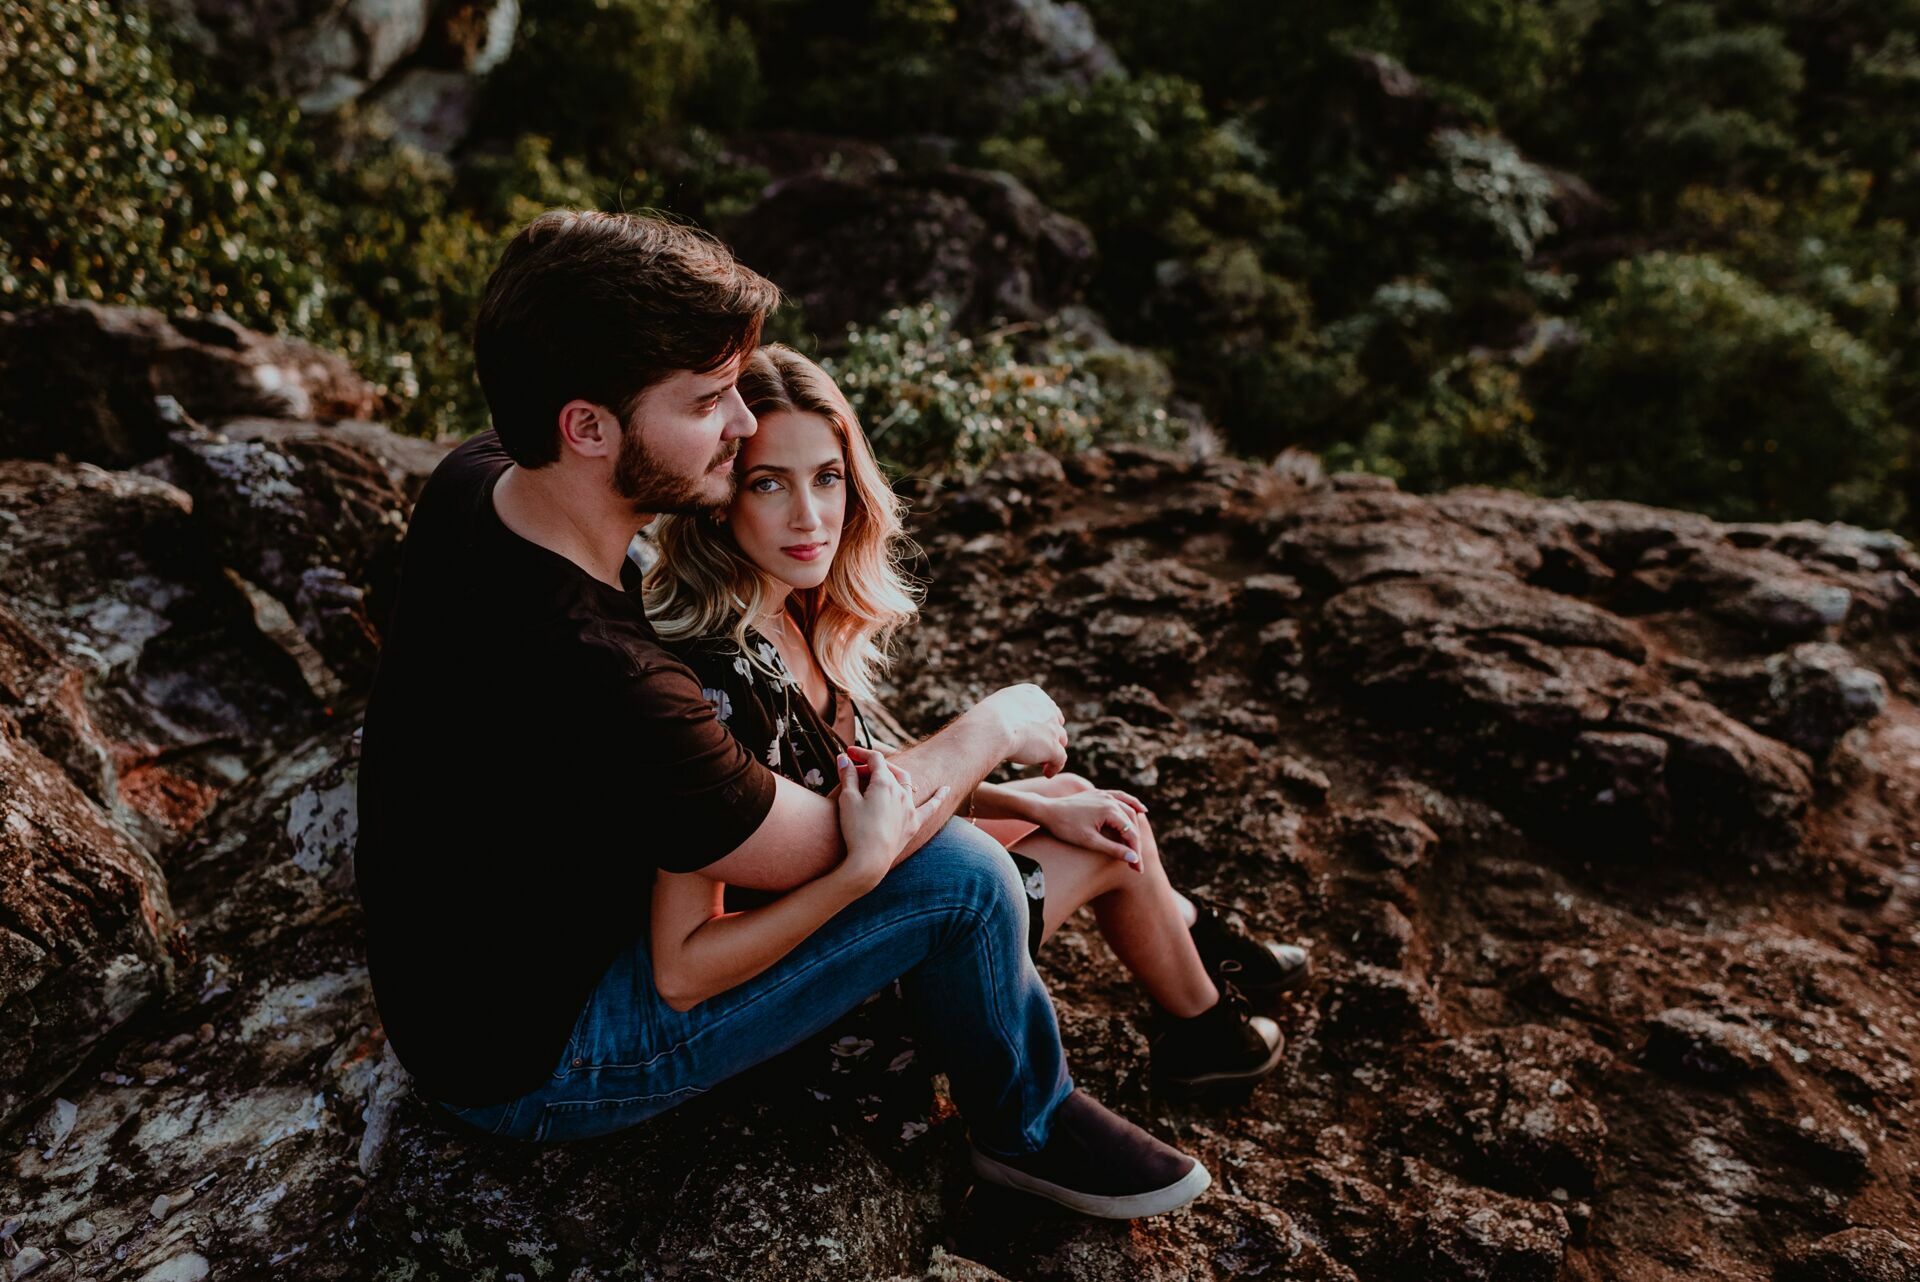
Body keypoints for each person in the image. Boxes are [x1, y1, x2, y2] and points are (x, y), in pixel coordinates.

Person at [352, 209, 1210, 1219]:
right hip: (542, 1060)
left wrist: (1016, 794)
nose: (745, 423)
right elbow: (846, 843)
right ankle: (1024, 1126)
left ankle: (1173, 965)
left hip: (474, 973)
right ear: (586, 426)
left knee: (1004, 838)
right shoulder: (616, 679)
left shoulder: (480, 480)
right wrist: (991, 728)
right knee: (963, 882)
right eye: (710, 401)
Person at [642, 344, 1311, 1102]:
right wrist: (989, 737)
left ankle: (1205, 942)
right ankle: (1209, 1028)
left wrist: (1027, 801)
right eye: (769, 484)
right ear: (723, 491)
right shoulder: (710, 673)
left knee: (1077, 796)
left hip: (862, 892)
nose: (810, 516)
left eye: (827, 478)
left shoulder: (786, 609)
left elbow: (842, 773)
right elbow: (686, 963)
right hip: (827, 977)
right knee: (1108, 849)